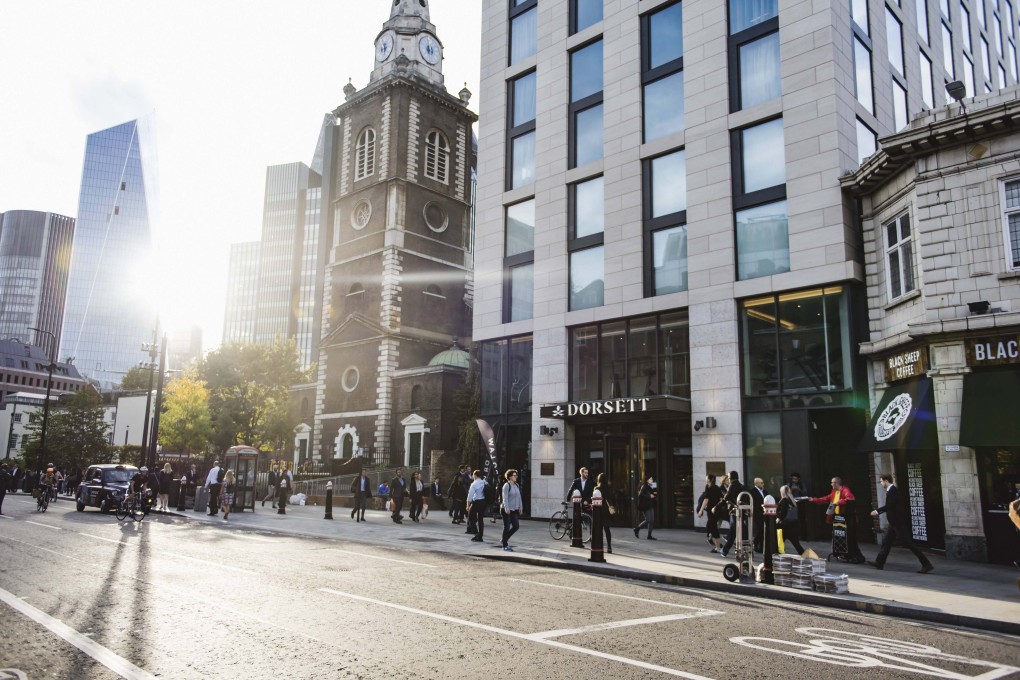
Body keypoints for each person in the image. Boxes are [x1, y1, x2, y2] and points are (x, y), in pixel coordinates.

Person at [868, 474, 934, 574]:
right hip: (894, 522)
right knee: (886, 542)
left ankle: (926, 564)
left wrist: (877, 511)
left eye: (881, 481)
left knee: (909, 544)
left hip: (897, 522)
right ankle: (879, 562)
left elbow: (890, 505)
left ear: (886, 481)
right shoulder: (891, 490)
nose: (881, 483)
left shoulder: (893, 491)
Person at [720, 471, 745, 557]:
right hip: (740, 512)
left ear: (732, 478)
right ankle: (724, 550)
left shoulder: (733, 485)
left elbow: (726, 498)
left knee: (739, 532)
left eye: (729, 477)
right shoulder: (741, 485)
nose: (728, 479)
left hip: (735, 512)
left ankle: (745, 550)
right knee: (733, 533)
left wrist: (716, 507)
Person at [697, 475, 723, 553]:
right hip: (716, 510)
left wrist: (701, 510)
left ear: (710, 479)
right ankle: (716, 545)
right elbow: (721, 498)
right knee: (712, 526)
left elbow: (706, 499)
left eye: (707, 478)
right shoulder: (716, 487)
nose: (705, 479)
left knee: (713, 527)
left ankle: (718, 547)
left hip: (712, 510)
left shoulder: (709, 487)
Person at [777, 484, 805, 555]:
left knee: (780, 542)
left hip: (785, 525)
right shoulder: (792, 500)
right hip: (793, 525)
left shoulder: (784, 500)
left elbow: (783, 511)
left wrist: (778, 518)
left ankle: (779, 556)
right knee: (796, 543)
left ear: (782, 492)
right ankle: (804, 555)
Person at [501, 468, 523, 551]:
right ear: (510, 477)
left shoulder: (516, 485)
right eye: (514, 475)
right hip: (506, 509)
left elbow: (519, 497)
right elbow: (505, 498)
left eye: (516, 475)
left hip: (514, 509)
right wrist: (506, 508)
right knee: (506, 527)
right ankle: (505, 545)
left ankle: (504, 539)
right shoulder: (507, 485)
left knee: (516, 526)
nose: (516, 477)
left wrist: (520, 507)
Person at [594, 473, 613, 554]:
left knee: (599, 529)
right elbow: (610, 499)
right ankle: (609, 546)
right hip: (606, 511)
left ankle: (599, 545)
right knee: (607, 529)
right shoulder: (608, 488)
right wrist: (611, 506)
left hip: (598, 510)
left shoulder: (596, 488)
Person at [466, 470, 487, 542]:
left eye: (473, 475)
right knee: (480, 519)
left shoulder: (474, 484)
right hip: (483, 502)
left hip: (476, 502)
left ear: (475, 475)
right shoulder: (484, 482)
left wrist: (468, 506)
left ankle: (476, 534)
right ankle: (480, 536)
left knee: (471, 518)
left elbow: (470, 496)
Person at [634, 475, 657, 540]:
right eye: (650, 479)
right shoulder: (644, 486)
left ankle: (649, 535)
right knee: (648, 520)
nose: (652, 480)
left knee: (652, 520)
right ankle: (637, 528)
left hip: (651, 504)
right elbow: (640, 495)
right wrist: (649, 496)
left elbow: (654, 493)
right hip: (646, 505)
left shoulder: (651, 486)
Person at [751, 477, 767, 553]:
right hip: (757, 513)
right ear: (757, 483)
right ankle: (755, 543)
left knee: (763, 530)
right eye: (761, 483)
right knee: (760, 530)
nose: (763, 484)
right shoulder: (752, 491)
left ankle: (761, 546)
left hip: (764, 513)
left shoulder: (765, 491)